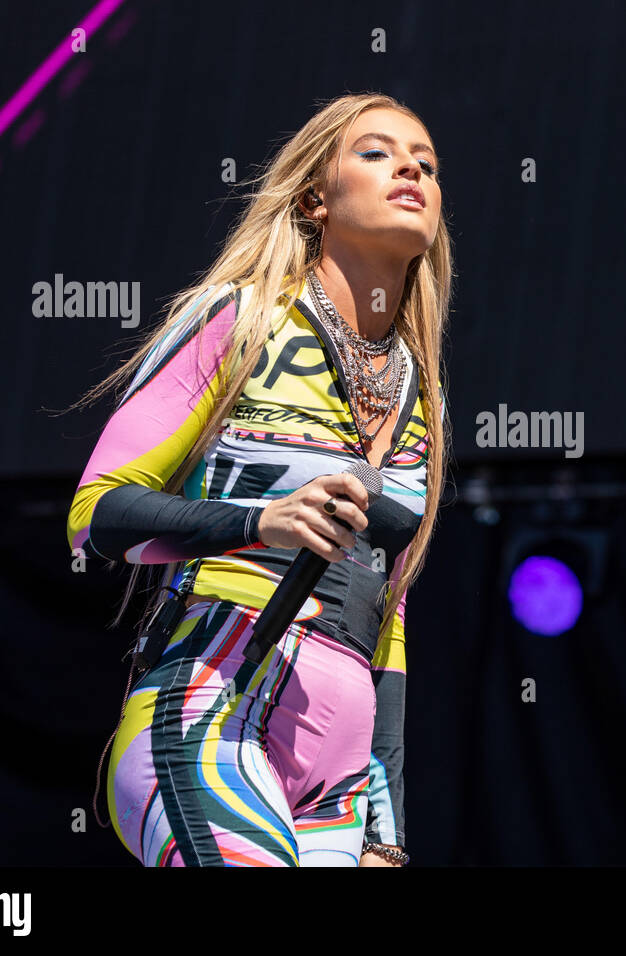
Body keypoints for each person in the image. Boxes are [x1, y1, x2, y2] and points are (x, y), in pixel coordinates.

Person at [64, 93, 451, 867]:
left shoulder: (423, 394)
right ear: (314, 198)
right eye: (376, 153)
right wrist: (259, 521)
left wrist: (385, 831)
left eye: (428, 164)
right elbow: (95, 516)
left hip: (338, 782)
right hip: (214, 704)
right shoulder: (239, 321)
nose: (412, 168)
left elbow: (389, 621)